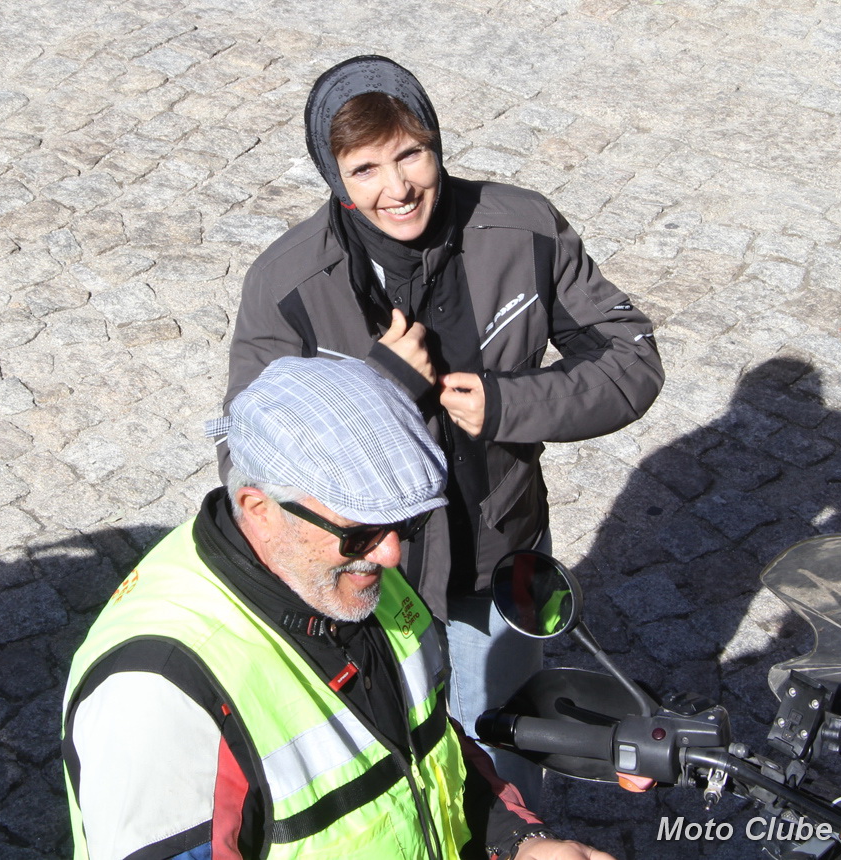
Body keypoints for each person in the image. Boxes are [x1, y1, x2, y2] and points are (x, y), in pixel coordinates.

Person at [222, 55, 664, 799]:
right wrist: (382, 387)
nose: (396, 188)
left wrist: (510, 404)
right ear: (334, 178)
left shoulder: (523, 229)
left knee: (506, 763)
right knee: (394, 776)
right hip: (365, 576)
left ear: (436, 143)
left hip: (498, 563)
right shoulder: (286, 283)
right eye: (364, 169)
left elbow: (632, 358)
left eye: (411, 155)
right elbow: (245, 455)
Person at [62, 357, 615, 860]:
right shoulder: (159, 696)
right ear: (260, 508)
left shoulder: (349, 574)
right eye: (360, 533)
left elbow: (429, 744)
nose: (392, 554)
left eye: (406, 523)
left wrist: (516, 840)